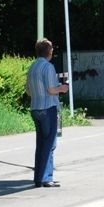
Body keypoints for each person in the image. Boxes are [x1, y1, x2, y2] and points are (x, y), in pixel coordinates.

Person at [25, 38, 68, 188]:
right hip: (48, 108)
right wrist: (62, 88)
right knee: (49, 144)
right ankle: (45, 177)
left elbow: (28, 90)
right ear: (49, 52)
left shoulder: (32, 67)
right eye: (51, 49)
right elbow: (51, 89)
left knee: (41, 143)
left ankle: (39, 177)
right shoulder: (48, 67)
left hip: (35, 107)